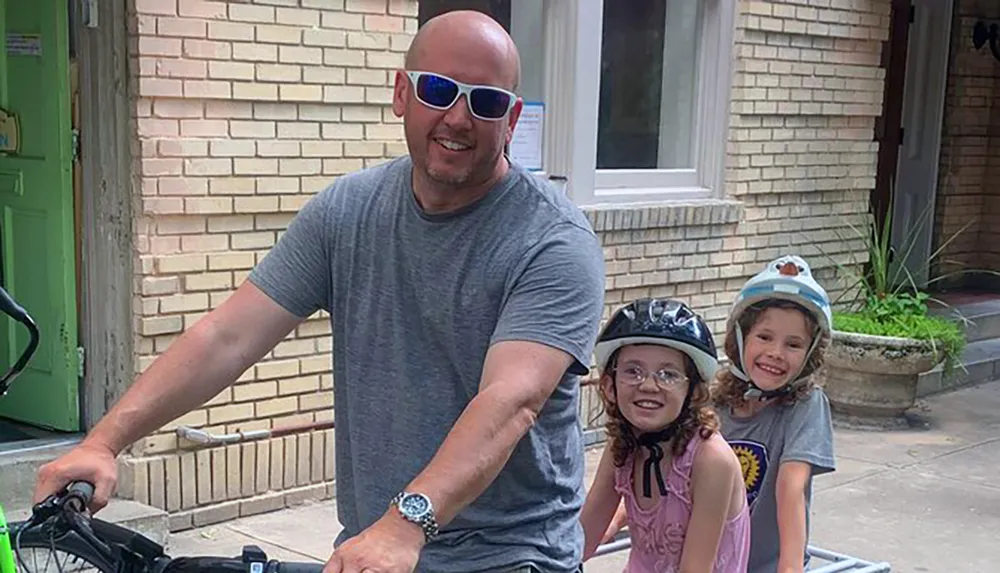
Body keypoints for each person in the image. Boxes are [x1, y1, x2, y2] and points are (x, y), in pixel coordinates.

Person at [33, 10, 606, 573]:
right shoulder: (348, 211)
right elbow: (227, 337)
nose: (458, 117)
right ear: (402, 94)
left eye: (485, 102)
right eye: (439, 89)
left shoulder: (552, 240)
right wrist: (104, 441)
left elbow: (510, 403)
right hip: (371, 548)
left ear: (509, 120)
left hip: (506, 558)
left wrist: (404, 526)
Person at [579, 298, 750, 572]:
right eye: (632, 371)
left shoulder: (710, 459)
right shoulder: (622, 446)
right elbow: (582, 539)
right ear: (610, 386)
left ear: (693, 391)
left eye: (668, 374)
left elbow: (695, 568)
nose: (648, 385)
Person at [710, 255, 836, 573]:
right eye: (764, 337)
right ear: (740, 339)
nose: (776, 353)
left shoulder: (805, 405)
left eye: (793, 344)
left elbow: (790, 487)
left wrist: (790, 569)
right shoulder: (716, 404)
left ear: (810, 353)